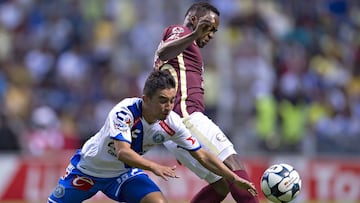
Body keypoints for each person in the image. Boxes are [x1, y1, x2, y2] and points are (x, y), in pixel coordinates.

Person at [48, 70, 257, 203]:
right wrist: (154, 167)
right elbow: (123, 152)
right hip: (87, 171)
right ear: (145, 99)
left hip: (123, 175)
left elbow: (201, 154)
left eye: (171, 100)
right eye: (162, 100)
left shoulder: (172, 122)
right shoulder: (125, 111)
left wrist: (234, 178)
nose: (168, 107)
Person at [154, 2, 259, 203]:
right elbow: (163, 53)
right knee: (233, 162)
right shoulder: (181, 31)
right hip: (186, 117)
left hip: (175, 125)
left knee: (221, 185)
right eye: (209, 28)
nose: (211, 35)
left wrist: (179, 138)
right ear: (194, 20)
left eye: (215, 31)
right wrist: (193, 35)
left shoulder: (187, 47)